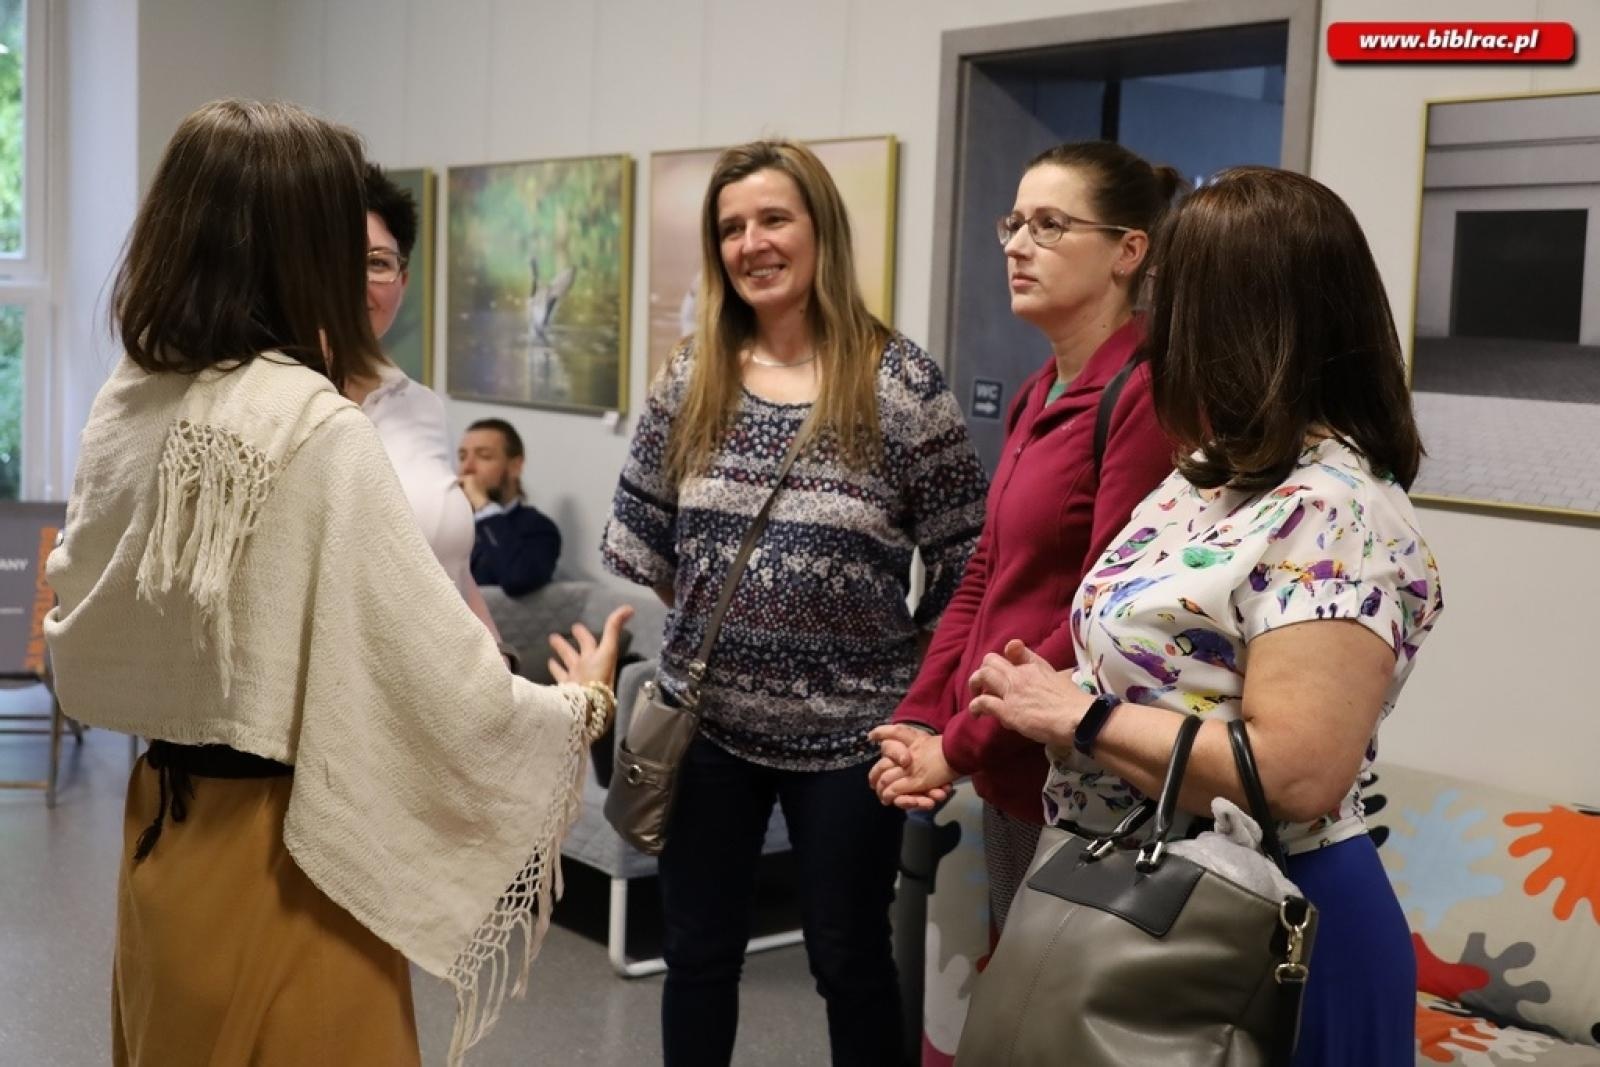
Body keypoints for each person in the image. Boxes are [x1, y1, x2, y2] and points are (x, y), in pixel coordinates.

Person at [43, 100, 630, 1067]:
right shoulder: (314, 427)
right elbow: (443, 684)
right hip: (294, 850)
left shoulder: (134, 393)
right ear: (295, 241)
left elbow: (87, 612)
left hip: (163, 823)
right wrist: (582, 700)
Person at [960, 166, 1444, 1066]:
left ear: (1242, 326)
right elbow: (1178, 676)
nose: (1156, 332)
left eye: (1175, 303)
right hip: (1132, 881)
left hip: (1261, 920)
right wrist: (1056, 690)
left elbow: (1297, 775)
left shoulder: (1338, 508)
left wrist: (1083, 716)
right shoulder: (1203, 483)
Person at [601, 139, 987, 1067]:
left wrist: (916, 698)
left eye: (774, 219)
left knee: (850, 960)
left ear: (820, 230)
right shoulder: (690, 375)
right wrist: (743, 619)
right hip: (708, 730)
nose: (752, 243)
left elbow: (970, 561)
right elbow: (653, 544)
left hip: (853, 739)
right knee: (696, 958)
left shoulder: (902, 384)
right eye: (731, 227)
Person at [868, 141, 1182, 934]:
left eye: (1049, 225)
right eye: (1014, 223)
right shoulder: (1041, 388)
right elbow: (985, 574)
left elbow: (1102, 615)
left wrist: (957, 746)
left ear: (1128, 251)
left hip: (1083, 781)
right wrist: (923, 719)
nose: (1015, 244)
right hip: (1011, 769)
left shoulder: (1145, 394)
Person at [349, 164, 501, 636]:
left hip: (443, 693)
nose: (358, 282)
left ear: (403, 281)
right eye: (337, 260)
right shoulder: (273, 401)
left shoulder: (422, 407)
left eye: (378, 263)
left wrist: (502, 666)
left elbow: (453, 573)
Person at [458, 417, 562, 596]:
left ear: (515, 466)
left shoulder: (539, 529)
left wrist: (483, 507)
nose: (467, 467)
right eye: (462, 457)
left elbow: (518, 579)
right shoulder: (450, 518)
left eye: (484, 456)